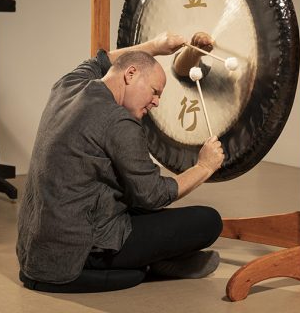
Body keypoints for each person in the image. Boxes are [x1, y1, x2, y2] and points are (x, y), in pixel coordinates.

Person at [16, 32, 225, 293]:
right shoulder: (119, 122)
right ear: (130, 74)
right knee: (208, 221)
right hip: (75, 257)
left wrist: (155, 47)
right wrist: (204, 167)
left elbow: (102, 61)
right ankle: (150, 264)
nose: (156, 102)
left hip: (36, 252)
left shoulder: (68, 85)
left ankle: (155, 260)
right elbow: (154, 194)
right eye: (154, 92)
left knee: (132, 192)